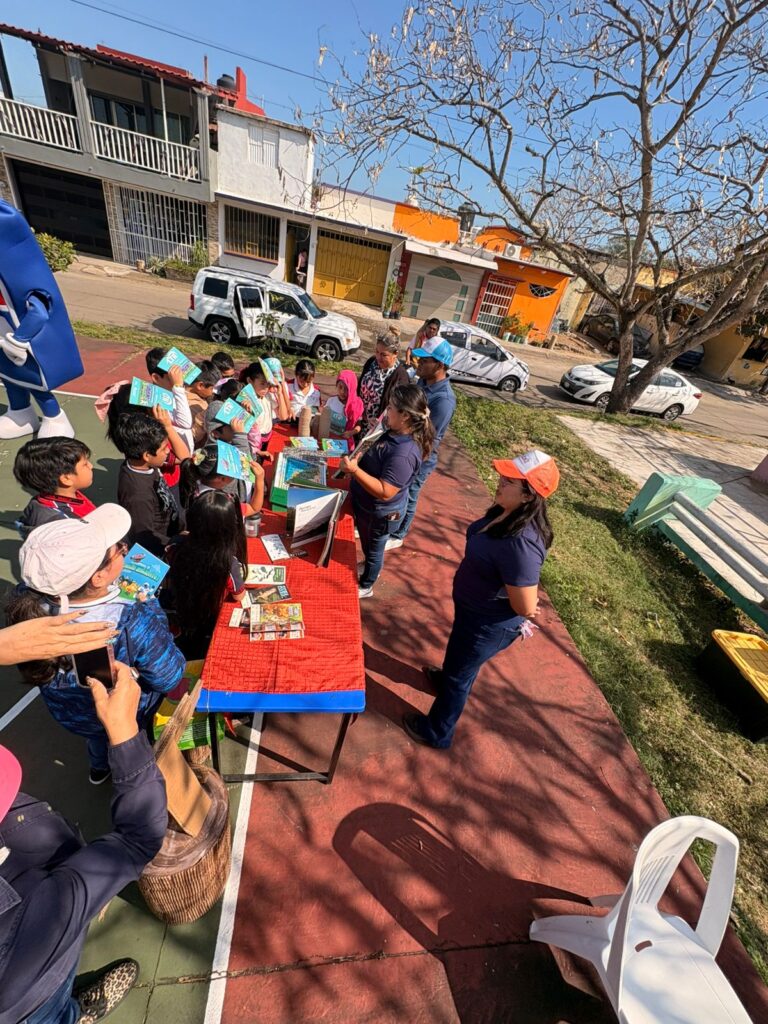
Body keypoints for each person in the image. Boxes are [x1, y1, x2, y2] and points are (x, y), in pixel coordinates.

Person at [0, 658, 167, 1024]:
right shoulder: (40, 916)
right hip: (31, 1001)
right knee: (54, 1010)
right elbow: (138, 838)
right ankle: (75, 1014)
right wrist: (125, 732)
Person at [5, 504, 186, 784]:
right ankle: (128, 772)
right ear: (98, 577)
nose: (124, 549)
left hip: (71, 713)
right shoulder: (132, 619)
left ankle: (99, 768)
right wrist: (150, 605)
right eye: (119, 549)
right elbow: (168, 675)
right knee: (123, 740)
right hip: (124, 711)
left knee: (96, 738)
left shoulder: (26, 608)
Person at [402, 450, 559, 750]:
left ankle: (437, 732)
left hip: (487, 625)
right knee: (458, 658)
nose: (500, 481)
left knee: (460, 677)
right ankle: (447, 676)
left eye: (510, 481)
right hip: (471, 612)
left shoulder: (523, 543)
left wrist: (529, 604)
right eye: (504, 475)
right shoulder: (505, 512)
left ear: (529, 496)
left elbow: (525, 606)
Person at [340, 384, 435, 598]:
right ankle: (368, 565)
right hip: (368, 507)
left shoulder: (404, 454)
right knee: (368, 543)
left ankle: (366, 585)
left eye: (391, 408)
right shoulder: (394, 430)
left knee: (374, 549)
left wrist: (355, 471)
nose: (386, 411)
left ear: (405, 416)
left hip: (381, 512)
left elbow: (386, 491)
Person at [386, 336, 457, 549]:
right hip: (404, 445)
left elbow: (428, 438)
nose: (420, 363)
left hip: (419, 456)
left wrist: (409, 458)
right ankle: (389, 526)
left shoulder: (444, 400)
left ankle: (398, 534)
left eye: (425, 361)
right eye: (420, 359)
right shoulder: (423, 382)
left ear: (440, 365)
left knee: (409, 494)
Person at [164, 490, 247, 658]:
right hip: (210, 615)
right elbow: (239, 596)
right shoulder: (228, 563)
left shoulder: (174, 546)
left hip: (179, 610)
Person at [114, 414, 181, 556]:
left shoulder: (142, 464)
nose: (168, 451)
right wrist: (177, 543)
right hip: (163, 548)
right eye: (164, 448)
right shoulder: (138, 495)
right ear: (146, 455)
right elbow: (144, 537)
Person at [14, 437, 96, 539]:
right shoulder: (64, 523)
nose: (91, 466)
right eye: (85, 464)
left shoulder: (60, 496)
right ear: (66, 479)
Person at [180, 443, 264, 518]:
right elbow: (253, 508)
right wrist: (260, 481)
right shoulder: (222, 503)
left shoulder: (193, 483)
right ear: (222, 478)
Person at [358, 333, 410, 433]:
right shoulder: (371, 362)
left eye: (384, 355)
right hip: (360, 422)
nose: (378, 357)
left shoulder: (401, 376)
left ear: (395, 354)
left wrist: (381, 423)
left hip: (378, 429)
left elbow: (399, 410)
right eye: (377, 352)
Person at [145, 347, 194, 453]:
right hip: (174, 458)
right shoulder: (155, 401)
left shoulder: (174, 392)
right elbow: (185, 423)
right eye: (174, 376)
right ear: (156, 378)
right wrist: (178, 387)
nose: (181, 380)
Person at [324, 370, 364, 449]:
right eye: (340, 387)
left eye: (346, 389)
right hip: (329, 440)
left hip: (346, 442)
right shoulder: (331, 401)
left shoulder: (356, 405)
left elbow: (358, 425)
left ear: (352, 389)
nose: (342, 391)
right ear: (336, 386)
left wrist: (351, 433)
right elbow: (324, 418)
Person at [185, 359, 220, 448]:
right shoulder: (193, 406)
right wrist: (203, 418)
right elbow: (191, 437)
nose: (213, 392)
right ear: (200, 385)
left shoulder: (184, 393)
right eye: (212, 388)